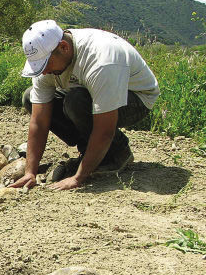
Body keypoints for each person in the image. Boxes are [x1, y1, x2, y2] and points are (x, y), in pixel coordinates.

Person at [11, 20, 160, 191]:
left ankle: (117, 152)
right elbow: (39, 121)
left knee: (76, 101)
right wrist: (30, 172)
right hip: (88, 92)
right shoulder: (49, 55)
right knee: (31, 97)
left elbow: (104, 130)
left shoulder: (101, 60)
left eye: (45, 65)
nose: (43, 71)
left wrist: (78, 178)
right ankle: (90, 152)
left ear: (64, 47)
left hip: (136, 99)